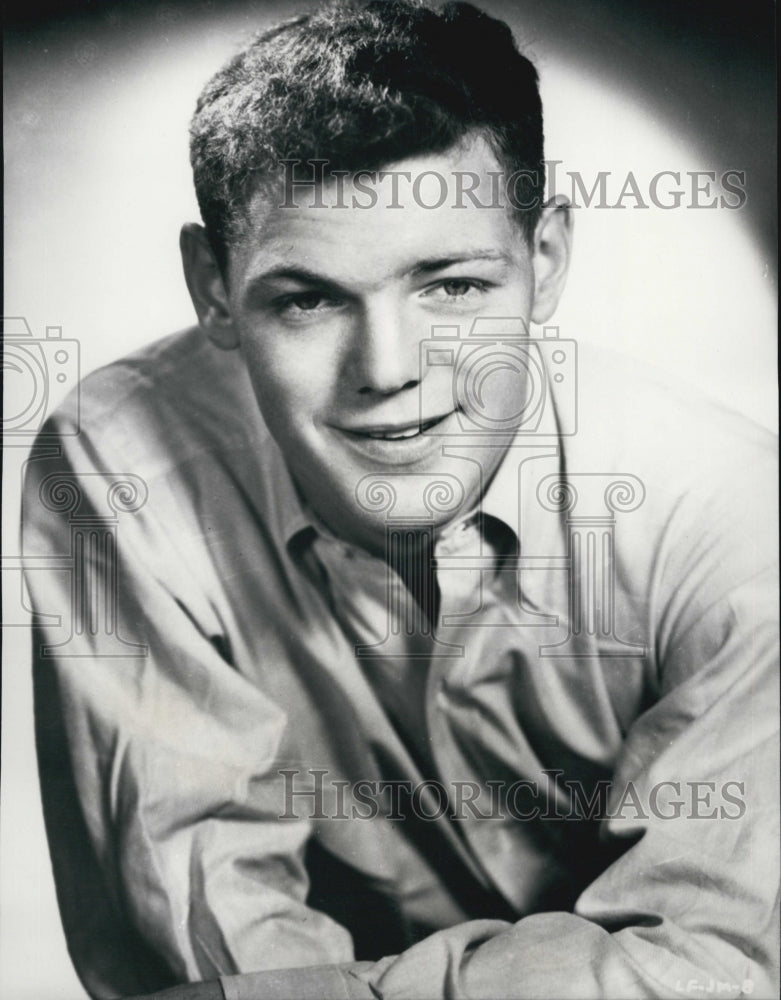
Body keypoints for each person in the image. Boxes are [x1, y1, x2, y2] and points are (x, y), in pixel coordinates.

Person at [23, 2, 778, 998]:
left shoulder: (736, 517)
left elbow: (716, 967)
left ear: (544, 258)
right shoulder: (118, 461)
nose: (387, 370)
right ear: (212, 287)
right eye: (308, 299)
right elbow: (195, 936)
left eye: (452, 287)